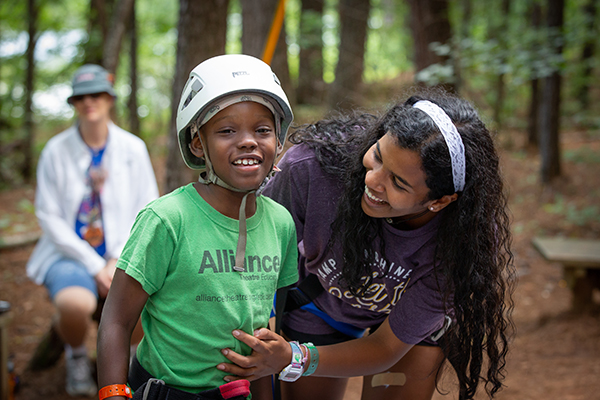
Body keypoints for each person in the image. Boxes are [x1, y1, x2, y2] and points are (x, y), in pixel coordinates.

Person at [217, 89, 516, 400]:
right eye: (378, 155)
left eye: (398, 182)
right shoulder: (311, 168)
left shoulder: (461, 244)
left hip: (406, 330)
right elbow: (255, 281)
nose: (372, 181)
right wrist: (274, 360)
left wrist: (296, 357)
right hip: (322, 303)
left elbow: (386, 348)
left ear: (439, 201)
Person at [96, 54, 299, 400]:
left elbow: (266, 331)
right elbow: (116, 320)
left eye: (262, 129)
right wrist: (113, 393)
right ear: (197, 144)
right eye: (227, 130)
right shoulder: (167, 220)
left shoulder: (281, 223)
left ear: (278, 141)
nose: (248, 141)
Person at [26, 64, 159, 397]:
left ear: (110, 98)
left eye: (97, 94)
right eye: (81, 96)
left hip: (123, 252)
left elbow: (148, 207)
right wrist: (94, 264)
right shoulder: (56, 151)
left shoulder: (132, 148)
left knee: (144, 299)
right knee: (74, 303)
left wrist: (117, 257)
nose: (90, 102)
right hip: (69, 252)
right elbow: (48, 215)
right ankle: (76, 356)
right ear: (73, 102)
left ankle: (130, 364)